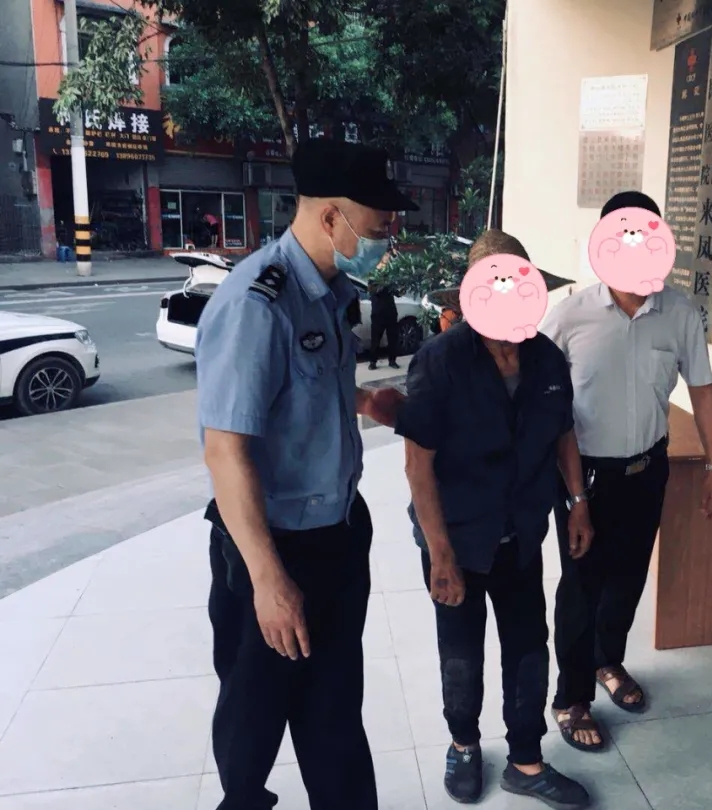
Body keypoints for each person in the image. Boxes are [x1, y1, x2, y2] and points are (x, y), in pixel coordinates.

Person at [194, 138, 416, 810]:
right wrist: (268, 581)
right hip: (270, 548)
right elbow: (225, 449)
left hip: (336, 537)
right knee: (254, 720)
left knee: (334, 711)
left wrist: (363, 401)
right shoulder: (256, 303)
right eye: (379, 227)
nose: (386, 240)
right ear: (330, 217)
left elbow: (300, 388)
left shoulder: (329, 292)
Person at [395, 229, 594, 809]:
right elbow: (418, 464)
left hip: (522, 534)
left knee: (528, 646)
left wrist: (578, 502)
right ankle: (463, 744)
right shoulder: (440, 361)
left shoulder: (546, 357)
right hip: (456, 538)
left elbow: (563, 432)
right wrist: (439, 554)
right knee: (461, 654)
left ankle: (526, 761)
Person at [540, 190, 712, 753]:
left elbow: (703, 389)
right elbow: (541, 399)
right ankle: (571, 697)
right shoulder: (569, 315)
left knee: (627, 576)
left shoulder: (679, 313)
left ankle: (608, 661)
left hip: (647, 470)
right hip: (582, 477)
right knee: (581, 585)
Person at [368, 278, 399, 370]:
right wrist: (382, 284)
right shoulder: (373, 278)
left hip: (391, 313)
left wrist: (401, 287)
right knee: (375, 340)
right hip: (378, 314)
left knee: (393, 339)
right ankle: (373, 362)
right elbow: (372, 290)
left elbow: (398, 293)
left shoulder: (391, 277)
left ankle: (392, 361)